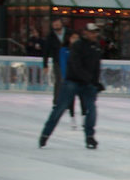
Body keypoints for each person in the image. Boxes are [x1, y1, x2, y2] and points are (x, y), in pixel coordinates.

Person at [39, 22, 102, 150]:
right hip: (72, 82)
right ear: (85, 33)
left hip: (87, 84)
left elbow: (96, 67)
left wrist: (95, 82)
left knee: (91, 109)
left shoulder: (96, 47)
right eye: (92, 32)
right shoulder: (77, 46)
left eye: (96, 32)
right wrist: (90, 80)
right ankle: (46, 134)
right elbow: (75, 65)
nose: (94, 34)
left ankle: (90, 136)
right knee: (60, 108)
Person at [41, 17, 69, 111]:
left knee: (69, 81)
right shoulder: (51, 36)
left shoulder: (69, 33)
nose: (56, 26)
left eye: (57, 24)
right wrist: (45, 65)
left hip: (69, 61)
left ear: (61, 24)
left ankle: (68, 101)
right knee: (59, 80)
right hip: (57, 61)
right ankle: (57, 101)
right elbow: (46, 51)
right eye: (54, 25)